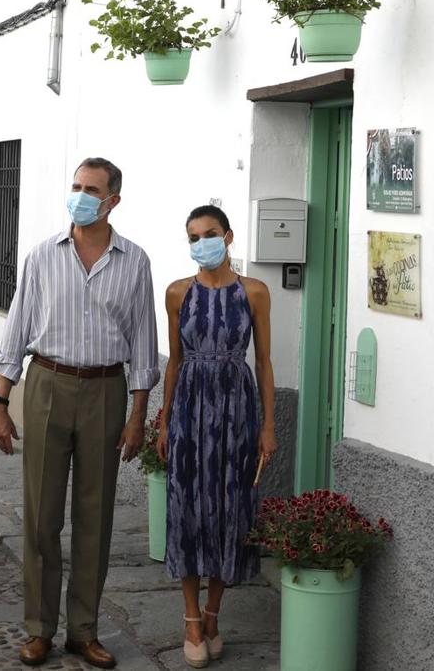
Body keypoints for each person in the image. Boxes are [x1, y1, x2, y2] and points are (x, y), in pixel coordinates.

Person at [0, 158, 160, 669]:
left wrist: (137, 416)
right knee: (41, 516)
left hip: (106, 390)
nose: (81, 196)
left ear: (113, 201)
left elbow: (144, 346)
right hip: (47, 384)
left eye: (92, 189)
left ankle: (83, 630)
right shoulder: (43, 256)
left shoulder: (135, 262)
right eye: (76, 186)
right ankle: (39, 629)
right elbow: (16, 331)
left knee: (95, 518)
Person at [156, 205, 276, 668]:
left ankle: (213, 614)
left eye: (208, 234)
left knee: (229, 508)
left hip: (236, 410)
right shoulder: (176, 293)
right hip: (189, 406)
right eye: (192, 236)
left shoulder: (255, 293)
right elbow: (174, 361)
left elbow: (263, 362)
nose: (200, 243)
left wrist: (267, 426)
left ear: (227, 237)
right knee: (187, 508)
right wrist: (164, 421)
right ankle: (189, 618)